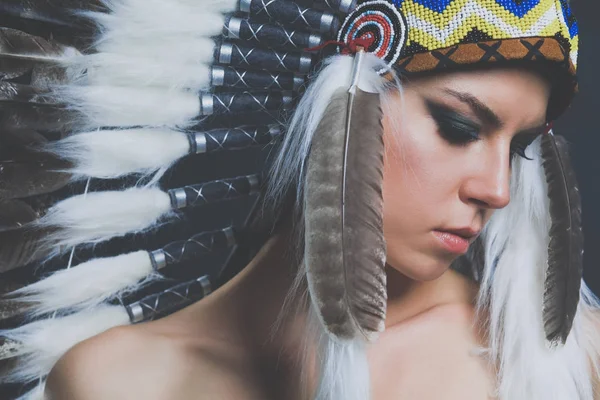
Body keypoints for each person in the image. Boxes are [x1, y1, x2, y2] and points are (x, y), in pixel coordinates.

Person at [0, 0, 598, 399]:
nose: (495, 189)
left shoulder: (554, 356)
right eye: (459, 127)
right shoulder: (111, 380)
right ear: (337, 97)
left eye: (518, 147)